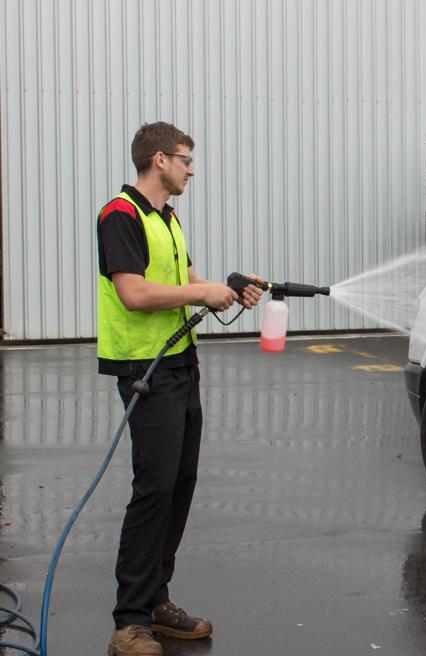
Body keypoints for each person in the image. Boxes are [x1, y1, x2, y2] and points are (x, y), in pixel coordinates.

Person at [97, 122, 262, 656]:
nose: (192, 169)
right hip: (144, 369)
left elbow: (187, 282)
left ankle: (156, 601)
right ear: (159, 160)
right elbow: (134, 293)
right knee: (153, 488)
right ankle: (129, 620)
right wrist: (201, 290)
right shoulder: (119, 215)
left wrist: (225, 292)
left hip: (180, 364)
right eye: (186, 160)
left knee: (179, 483)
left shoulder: (168, 218)